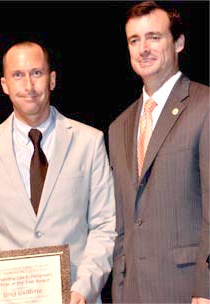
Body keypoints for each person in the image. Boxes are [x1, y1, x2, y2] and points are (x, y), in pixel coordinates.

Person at [0, 40, 116, 304]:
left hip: (74, 297)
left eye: (36, 73)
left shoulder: (90, 141)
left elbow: (104, 226)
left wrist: (85, 288)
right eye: (18, 75)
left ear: (52, 80)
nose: (28, 86)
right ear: (5, 85)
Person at [108, 1, 209, 303]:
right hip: (134, 292)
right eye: (134, 40)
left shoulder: (205, 106)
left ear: (178, 42)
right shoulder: (118, 126)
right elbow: (122, 225)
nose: (143, 49)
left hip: (189, 289)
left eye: (154, 37)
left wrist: (206, 289)